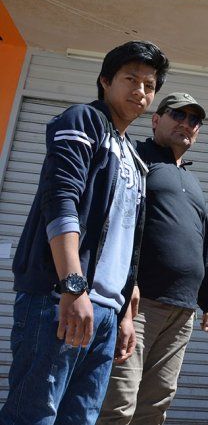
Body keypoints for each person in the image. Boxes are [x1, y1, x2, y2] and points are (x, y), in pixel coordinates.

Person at [0, 41, 169, 425]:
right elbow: (59, 200)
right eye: (130, 79)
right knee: (34, 413)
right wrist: (73, 285)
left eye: (149, 84)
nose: (140, 90)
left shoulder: (135, 157)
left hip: (107, 312)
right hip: (59, 299)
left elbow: (127, 240)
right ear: (105, 81)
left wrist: (125, 310)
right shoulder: (82, 121)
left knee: (82, 417)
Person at [97, 93, 208, 424]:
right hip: (138, 304)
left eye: (194, 120)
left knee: (156, 404)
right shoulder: (136, 159)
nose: (186, 123)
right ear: (155, 119)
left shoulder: (192, 182)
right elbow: (112, 222)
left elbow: (202, 246)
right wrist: (126, 284)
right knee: (118, 403)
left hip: (182, 311)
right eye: (177, 115)